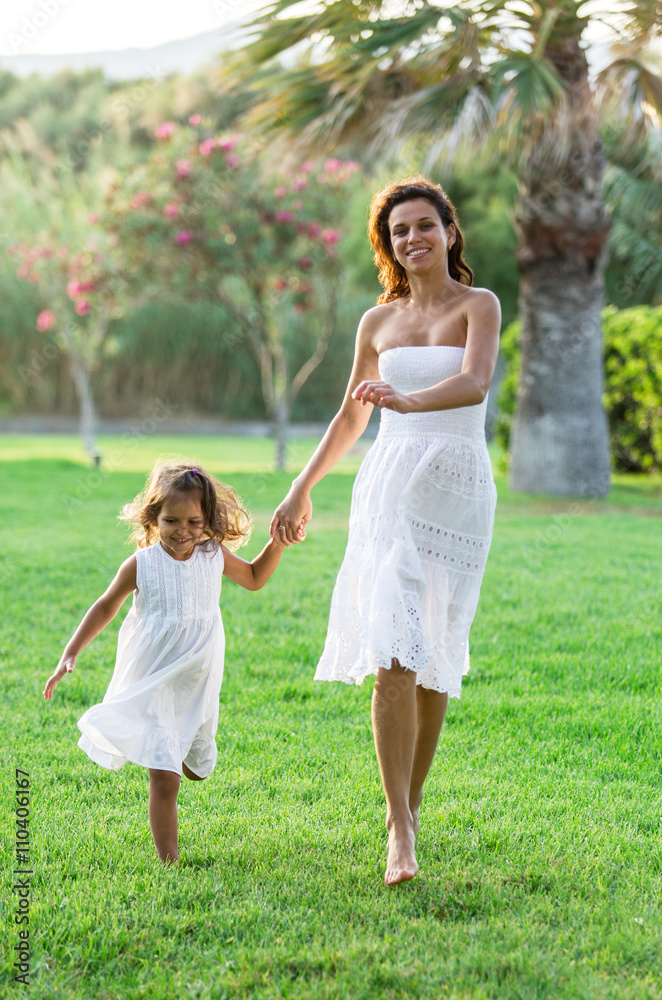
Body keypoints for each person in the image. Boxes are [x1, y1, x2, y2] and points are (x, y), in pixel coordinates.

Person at [271, 176, 500, 885]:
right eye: (399, 231)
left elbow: (474, 384)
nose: (413, 239)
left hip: (456, 489)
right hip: (391, 490)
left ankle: (413, 801)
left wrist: (405, 397)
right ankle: (399, 828)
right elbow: (350, 418)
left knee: (432, 657)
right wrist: (302, 485)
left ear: (449, 232)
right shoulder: (378, 323)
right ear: (388, 244)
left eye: (424, 225)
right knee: (393, 656)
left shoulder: (479, 305)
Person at [44, 460, 301, 864]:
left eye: (194, 521)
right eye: (171, 520)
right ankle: (170, 862)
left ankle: (175, 749)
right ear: (152, 519)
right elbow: (106, 605)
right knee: (165, 779)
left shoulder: (212, 554)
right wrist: (71, 652)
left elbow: (253, 577)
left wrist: (279, 544)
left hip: (198, 677)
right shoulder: (142, 564)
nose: (183, 530)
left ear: (208, 520)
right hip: (156, 676)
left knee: (197, 768)